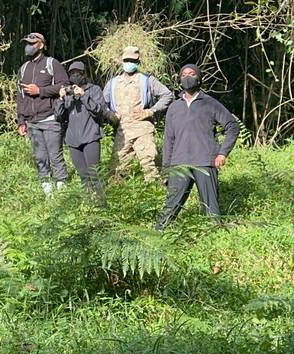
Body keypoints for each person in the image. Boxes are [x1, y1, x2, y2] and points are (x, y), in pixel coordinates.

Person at [155, 64, 240, 230]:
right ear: (180, 79)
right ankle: (157, 236)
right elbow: (168, 140)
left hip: (205, 162)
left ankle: (215, 239)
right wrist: (166, 169)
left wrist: (222, 153)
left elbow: (232, 126)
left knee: (211, 209)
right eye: (184, 74)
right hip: (179, 164)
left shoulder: (210, 103)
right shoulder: (174, 107)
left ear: (199, 78)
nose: (188, 77)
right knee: (170, 206)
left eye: (192, 74)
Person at [104, 46, 173, 182]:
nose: (129, 62)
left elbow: (167, 95)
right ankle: (119, 198)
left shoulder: (147, 80)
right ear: (122, 61)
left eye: (132, 60)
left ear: (138, 62)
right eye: (126, 60)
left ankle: (157, 195)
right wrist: (109, 115)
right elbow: (101, 104)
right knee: (116, 169)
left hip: (143, 130)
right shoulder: (113, 83)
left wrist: (150, 111)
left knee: (149, 166)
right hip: (122, 132)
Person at [16, 32, 69, 195]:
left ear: (40, 44)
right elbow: (20, 97)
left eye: (32, 43)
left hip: (50, 118)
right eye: (27, 43)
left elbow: (65, 85)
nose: (28, 46)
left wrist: (41, 91)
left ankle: (63, 193)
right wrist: (21, 121)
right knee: (40, 158)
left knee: (55, 156)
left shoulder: (52, 64)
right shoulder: (24, 68)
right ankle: (48, 194)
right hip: (32, 122)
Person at [53, 61, 113, 201]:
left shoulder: (94, 89)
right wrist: (61, 99)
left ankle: (102, 204)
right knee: (83, 176)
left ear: (84, 74)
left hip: (90, 136)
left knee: (95, 174)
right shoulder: (68, 94)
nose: (75, 76)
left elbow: (100, 111)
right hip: (73, 140)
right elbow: (59, 117)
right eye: (72, 74)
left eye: (78, 73)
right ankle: (88, 205)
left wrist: (84, 95)